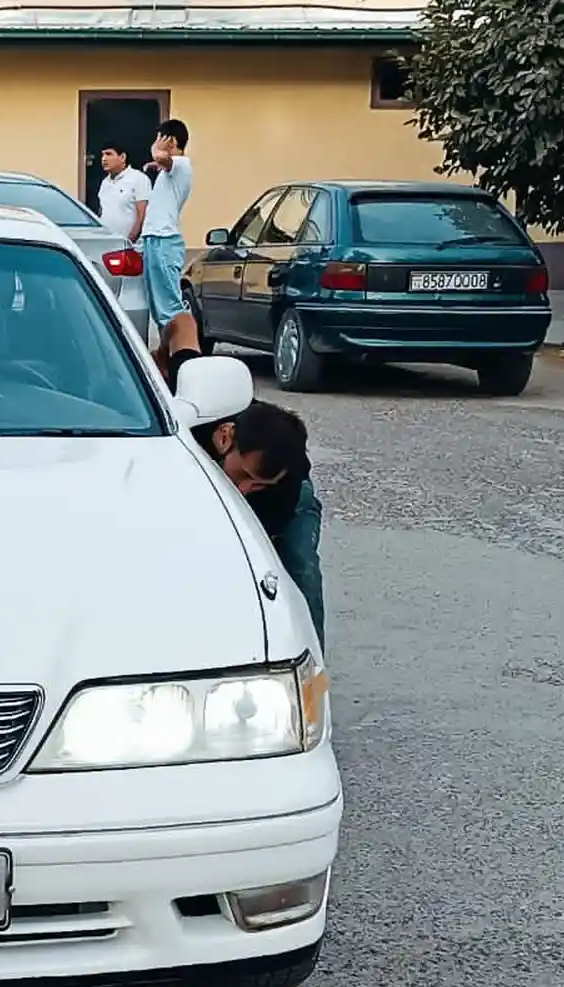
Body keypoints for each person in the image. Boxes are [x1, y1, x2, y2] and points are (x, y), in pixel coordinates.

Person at [158, 312, 326, 650]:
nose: (245, 490)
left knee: (298, 565)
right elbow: (184, 322)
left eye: (257, 484)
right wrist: (160, 362)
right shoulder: (198, 402)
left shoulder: (279, 491)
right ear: (224, 436)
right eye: (244, 475)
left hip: (289, 507)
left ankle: (311, 667)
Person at [139, 118, 195, 337]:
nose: (156, 142)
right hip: (154, 239)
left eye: (159, 138)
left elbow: (161, 157)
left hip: (165, 240)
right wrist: (156, 165)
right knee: (158, 305)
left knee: (170, 306)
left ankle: (184, 352)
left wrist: (156, 152)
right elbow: (162, 163)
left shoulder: (182, 164)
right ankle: (168, 355)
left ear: (171, 141)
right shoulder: (170, 170)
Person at [96, 144, 151, 244]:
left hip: (130, 246)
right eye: (103, 155)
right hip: (106, 244)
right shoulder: (105, 182)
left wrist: (129, 242)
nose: (104, 159)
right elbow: (101, 212)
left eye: (109, 154)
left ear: (122, 157)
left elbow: (142, 215)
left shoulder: (138, 179)